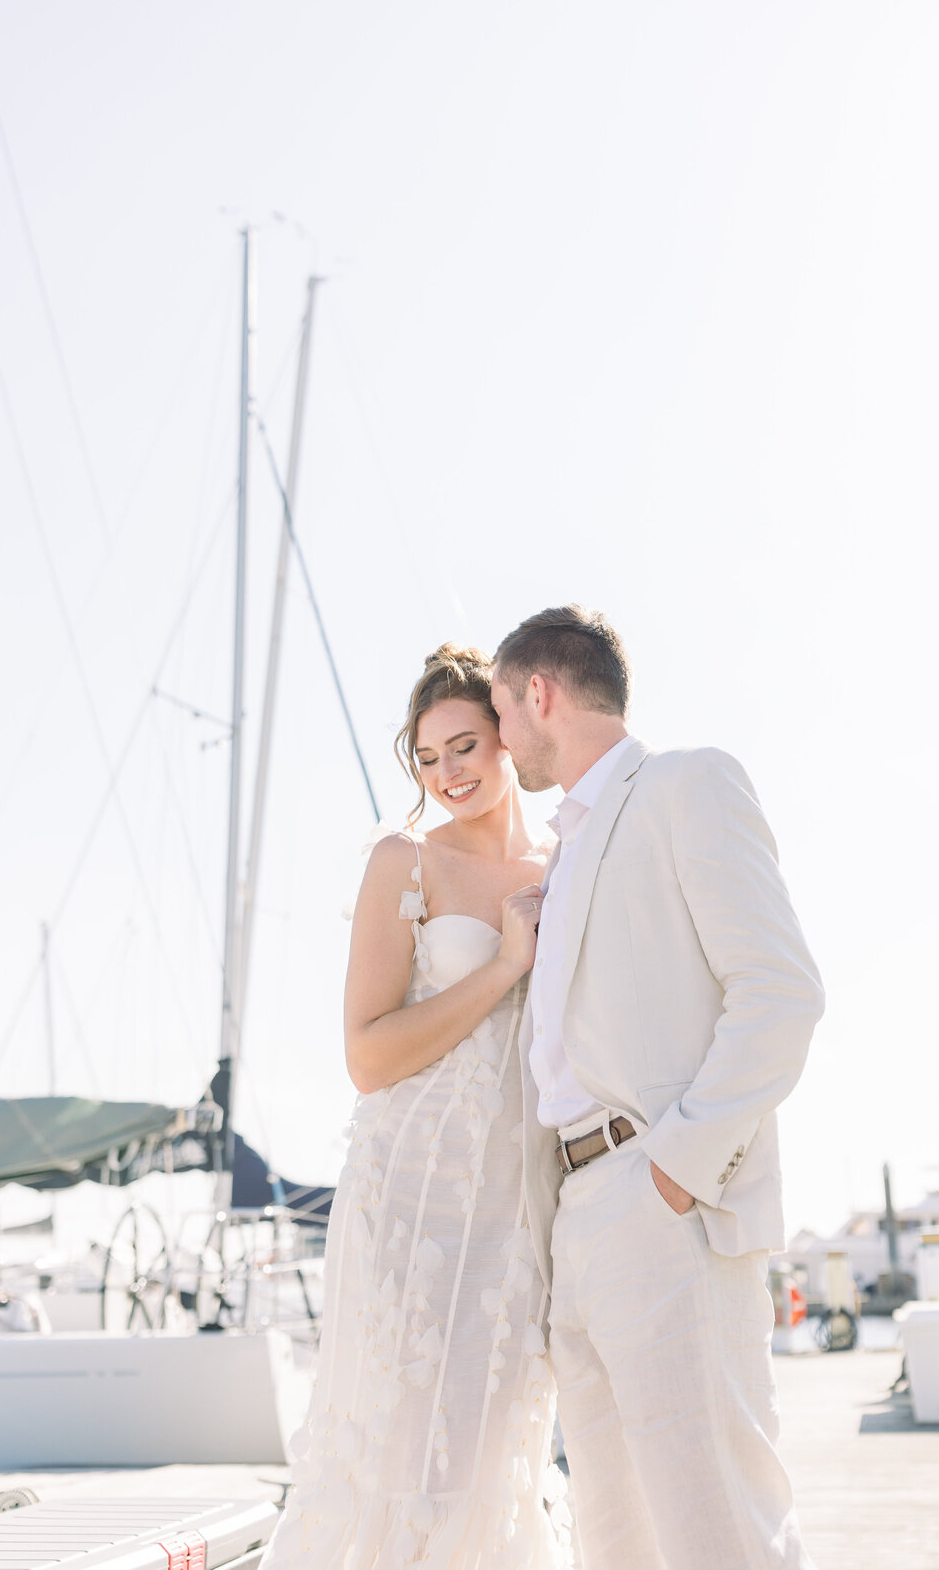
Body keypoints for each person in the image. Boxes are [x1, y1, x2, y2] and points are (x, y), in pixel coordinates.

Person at [491, 606, 825, 1570]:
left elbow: (781, 994)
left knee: (718, 1528)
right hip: (577, 1221)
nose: (506, 744)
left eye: (505, 717)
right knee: (618, 1542)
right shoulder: (564, 853)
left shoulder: (688, 784)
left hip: (663, 1203)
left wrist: (675, 1171)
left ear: (540, 696)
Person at [264, 644, 570, 1570]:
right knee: (397, 1448)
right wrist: (510, 964)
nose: (449, 775)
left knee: (495, 1448)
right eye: (428, 759)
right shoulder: (403, 860)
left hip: (519, 1202)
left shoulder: (567, 859)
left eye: (467, 746)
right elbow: (368, 1056)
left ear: (512, 737)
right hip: (411, 1198)